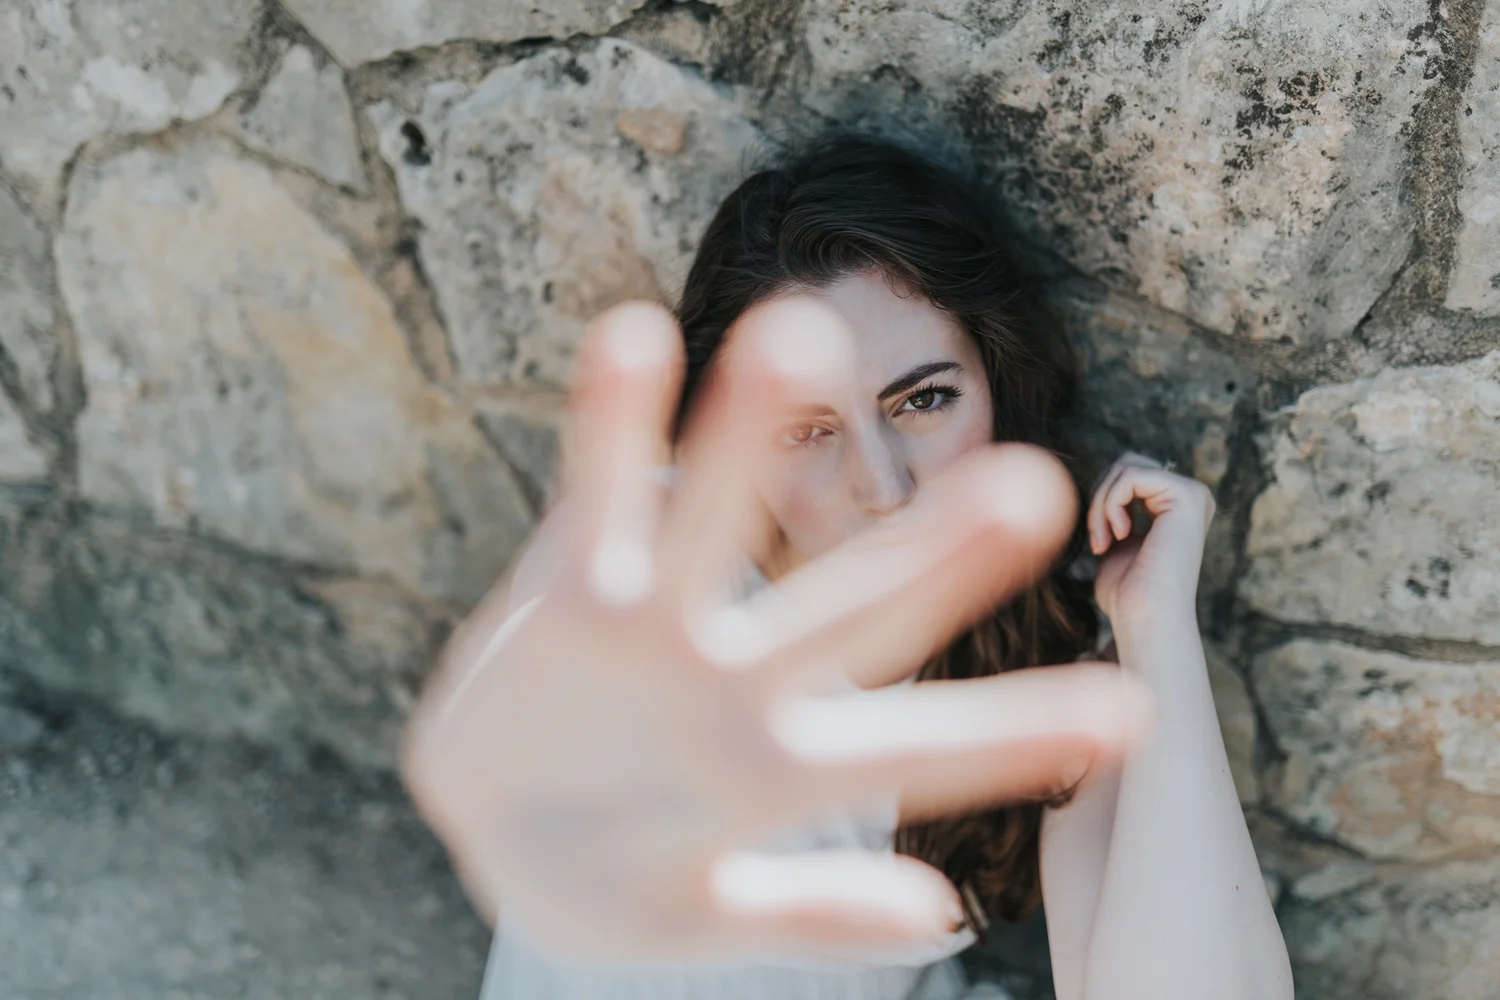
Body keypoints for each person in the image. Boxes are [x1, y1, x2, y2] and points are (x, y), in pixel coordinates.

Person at [402, 135, 1293, 1000]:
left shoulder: (1043, 666)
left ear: (998, 381)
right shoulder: (651, 567)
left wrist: (1156, 631)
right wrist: (536, 806)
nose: (884, 486)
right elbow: (544, 726)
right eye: (806, 429)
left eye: (925, 398)